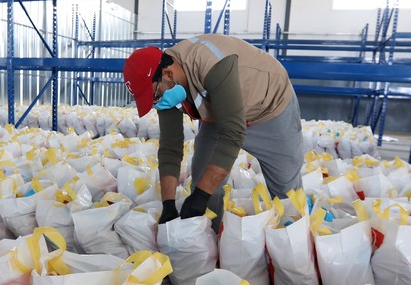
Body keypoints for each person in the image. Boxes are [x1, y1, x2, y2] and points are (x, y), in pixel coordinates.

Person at [123, 34, 304, 225]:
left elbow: (233, 136)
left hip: (269, 108)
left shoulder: (213, 63)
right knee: (203, 179)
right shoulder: (168, 89)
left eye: (156, 96)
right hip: (221, 111)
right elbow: (170, 147)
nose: (157, 103)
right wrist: (168, 204)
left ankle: (294, 242)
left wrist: (200, 196)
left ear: (168, 74)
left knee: (287, 190)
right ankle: (210, 240)